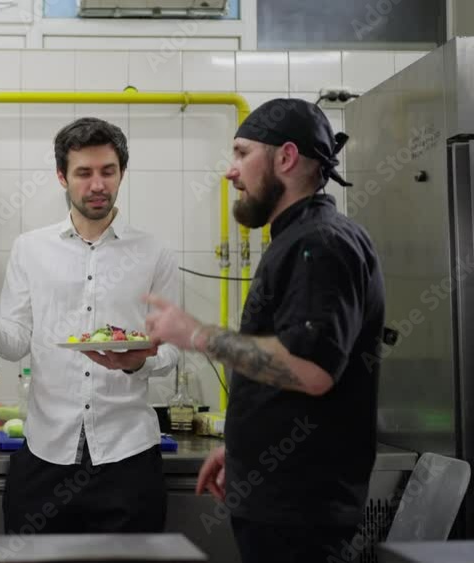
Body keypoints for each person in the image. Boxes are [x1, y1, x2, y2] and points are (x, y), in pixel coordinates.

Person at [142, 98, 385, 563]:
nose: (230, 172)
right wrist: (245, 452)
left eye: (241, 153)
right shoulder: (297, 239)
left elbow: (310, 370)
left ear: (286, 157)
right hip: (279, 498)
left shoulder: (321, 243)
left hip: (303, 513)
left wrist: (196, 334)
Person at [0, 117, 179, 534]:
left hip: (128, 459)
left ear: (121, 174)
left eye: (108, 172)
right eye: (84, 173)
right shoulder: (30, 249)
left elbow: (171, 352)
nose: (97, 184)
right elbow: (17, 342)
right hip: (45, 457)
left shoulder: (154, 253)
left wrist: (135, 363)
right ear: (62, 176)